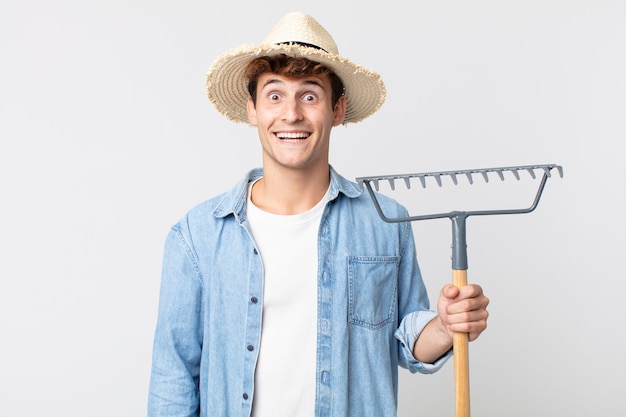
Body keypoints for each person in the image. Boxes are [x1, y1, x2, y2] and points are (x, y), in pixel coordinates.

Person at [148, 11, 489, 417]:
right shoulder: (198, 235)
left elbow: (408, 339)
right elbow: (173, 376)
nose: (291, 113)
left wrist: (447, 327)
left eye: (309, 95)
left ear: (337, 109)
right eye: (274, 95)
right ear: (253, 109)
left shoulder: (384, 222)